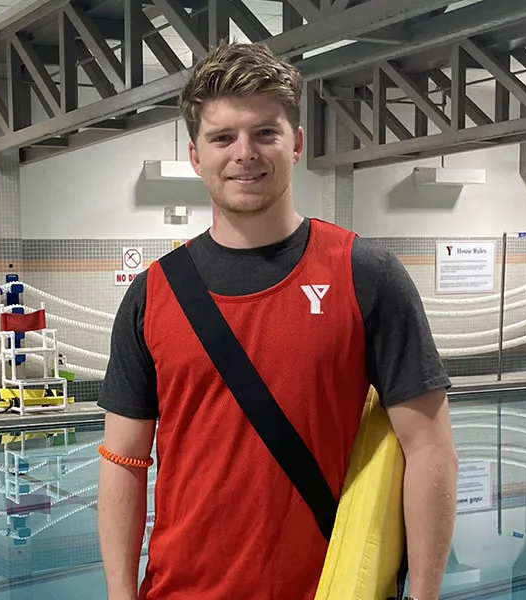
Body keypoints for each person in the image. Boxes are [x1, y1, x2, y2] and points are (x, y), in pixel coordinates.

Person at [96, 40, 458, 600]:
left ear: (296, 145)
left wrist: (424, 596)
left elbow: (429, 447)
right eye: (222, 137)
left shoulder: (366, 275)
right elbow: (124, 460)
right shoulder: (154, 295)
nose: (245, 153)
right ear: (196, 156)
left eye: (266, 132)